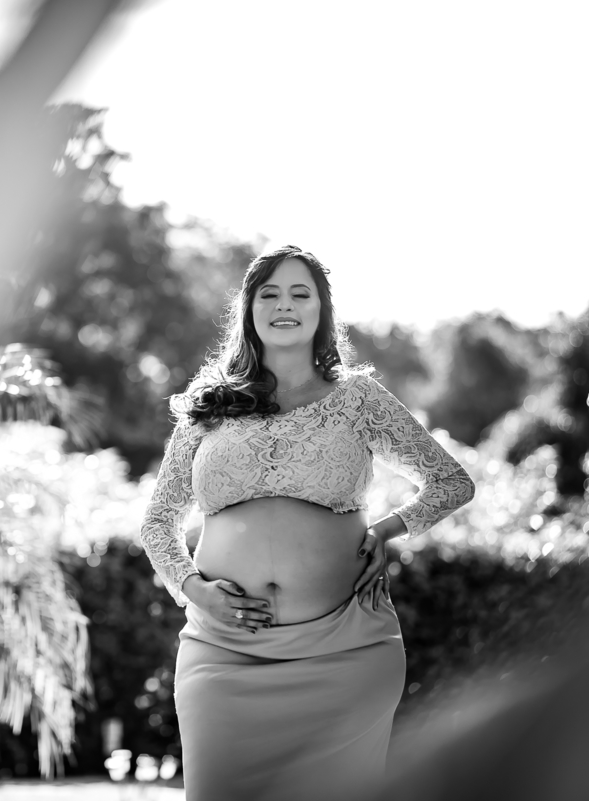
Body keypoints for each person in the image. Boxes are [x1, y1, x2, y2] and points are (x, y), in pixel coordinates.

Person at [139, 245, 475, 801]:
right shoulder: (210, 405)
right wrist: (194, 590)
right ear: (248, 310)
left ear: (323, 311)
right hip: (224, 654)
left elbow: (451, 482)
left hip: (345, 655)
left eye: (301, 293)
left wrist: (390, 529)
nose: (284, 305)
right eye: (268, 294)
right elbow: (158, 521)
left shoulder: (359, 399)